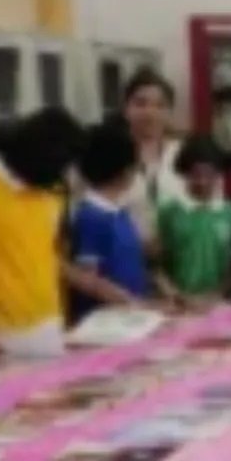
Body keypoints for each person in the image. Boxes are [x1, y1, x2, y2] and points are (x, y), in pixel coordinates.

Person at [0, 108, 84, 357]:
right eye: (60, 166)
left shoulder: (51, 191)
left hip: (50, 327)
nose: (63, 175)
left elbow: (46, 257)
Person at [64, 118, 157, 319]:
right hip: (104, 322)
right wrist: (133, 303)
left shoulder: (120, 212)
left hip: (131, 316)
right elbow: (88, 280)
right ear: (126, 171)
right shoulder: (91, 217)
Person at [153, 134, 231, 309]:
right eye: (195, 175)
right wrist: (176, 295)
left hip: (217, 303)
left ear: (218, 175)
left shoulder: (230, 212)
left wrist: (215, 296)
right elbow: (154, 265)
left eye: (209, 175)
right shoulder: (169, 212)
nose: (202, 182)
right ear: (185, 174)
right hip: (176, 304)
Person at [118, 67, 193, 247]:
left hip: (180, 254)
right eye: (140, 103)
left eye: (160, 105)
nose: (150, 113)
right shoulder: (110, 155)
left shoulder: (186, 153)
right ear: (126, 109)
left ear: (169, 112)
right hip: (124, 256)